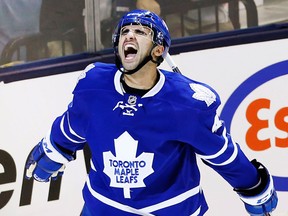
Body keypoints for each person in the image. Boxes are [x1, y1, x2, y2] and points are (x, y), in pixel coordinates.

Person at [25, 9, 278, 215]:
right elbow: (72, 126)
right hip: (103, 207)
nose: (129, 36)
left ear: (158, 50)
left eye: (140, 32)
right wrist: (54, 149)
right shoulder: (94, 86)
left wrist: (253, 185)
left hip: (168, 210)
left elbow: (222, 154)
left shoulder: (187, 104)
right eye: (125, 31)